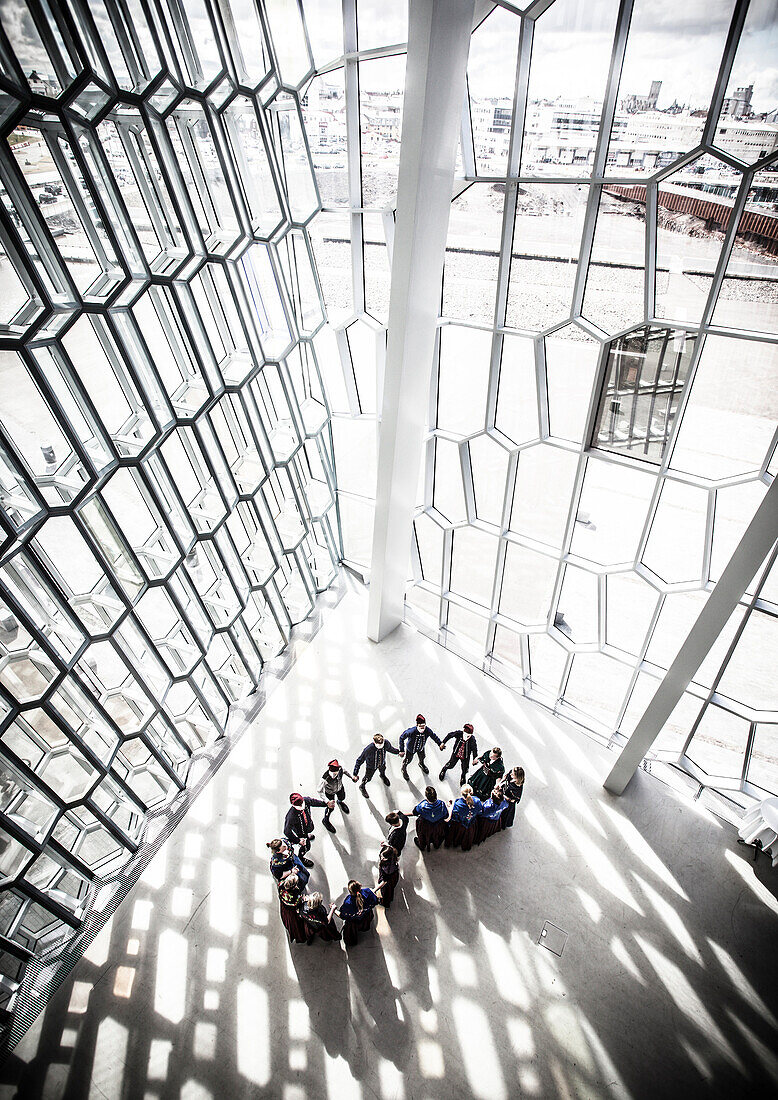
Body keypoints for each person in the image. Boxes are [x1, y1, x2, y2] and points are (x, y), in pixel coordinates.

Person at [283, 792, 331, 867]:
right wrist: (298, 840)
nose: (302, 807)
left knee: (309, 829)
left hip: (308, 825)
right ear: (293, 805)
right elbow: (287, 831)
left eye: (302, 804)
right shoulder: (291, 816)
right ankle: (301, 858)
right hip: (300, 832)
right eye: (299, 806)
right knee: (306, 846)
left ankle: (307, 835)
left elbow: (314, 802)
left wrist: (326, 804)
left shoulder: (305, 801)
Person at [353, 733, 400, 797]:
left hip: (382, 763)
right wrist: (355, 773)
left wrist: (398, 752)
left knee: (383, 770)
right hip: (371, 767)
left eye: (382, 743)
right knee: (368, 778)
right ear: (374, 742)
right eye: (379, 744)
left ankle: (382, 776)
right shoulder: (368, 749)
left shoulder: (386, 743)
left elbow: (390, 749)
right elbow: (359, 761)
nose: (381, 746)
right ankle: (362, 786)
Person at [317, 759, 357, 833]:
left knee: (342, 797)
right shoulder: (325, 778)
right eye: (333, 774)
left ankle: (340, 802)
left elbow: (346, 772)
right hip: (329, 793)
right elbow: (319, 790)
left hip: (339, 788)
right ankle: (325, 820)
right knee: (330, 808)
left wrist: (352, 777)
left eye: (335, 774)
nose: (334, 776)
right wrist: (327, 801)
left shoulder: (340, 769)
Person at [399, 714, 443, 780]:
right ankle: (403, 769)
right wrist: (401, 750)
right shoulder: (411, 731)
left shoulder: (427, 730)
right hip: (411, 749)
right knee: (408, 760)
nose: (422, 728)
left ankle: (421, 764)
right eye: (420, 726)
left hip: (421, 748)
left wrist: (439, 743)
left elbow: (433, 736)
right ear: (417, 725)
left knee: (422, 757)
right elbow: (401, 737)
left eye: (423, 726)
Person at [338, 880, 380, 946]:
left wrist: (334, 909)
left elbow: (343, 915)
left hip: (355, 921)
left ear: (350, 891)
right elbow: (375, 901)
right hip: (366, 916)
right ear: (360, 887)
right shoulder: (368, 892)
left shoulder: (348, 902)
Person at [444, 785, 483, 852]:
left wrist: (450, 806)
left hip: (460, 825)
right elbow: (480, 811)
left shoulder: (458, 804)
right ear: (472, 792)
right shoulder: (478, 801)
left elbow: (454, 817)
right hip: (471, 822)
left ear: (462, 794)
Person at [411, 785, 448, 851]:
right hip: (438, 825)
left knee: (423, 835)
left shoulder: (422, 805)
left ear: (426, 797)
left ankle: (422, 845)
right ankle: (436, 844)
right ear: (436, 795)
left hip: (425, 825)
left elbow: (415, 812)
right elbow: (446, 816)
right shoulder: (442, 804)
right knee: (438, 834)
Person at [277, 871, 308, 944]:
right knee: (297, 926)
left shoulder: (281, 884)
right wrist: (303, 898)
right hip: (292, 912)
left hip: (284, 908)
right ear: (294, 886)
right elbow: (297, 903)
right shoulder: (295, 893)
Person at [376, 843, 400, 909]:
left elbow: (384, 881)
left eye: (384, 858)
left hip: (388, 879)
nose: (381, 858)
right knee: (390, 891)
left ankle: (385, 903)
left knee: (386, 892)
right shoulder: (392, 854)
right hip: (393, 876)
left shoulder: (388, 868)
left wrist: (375, 890)